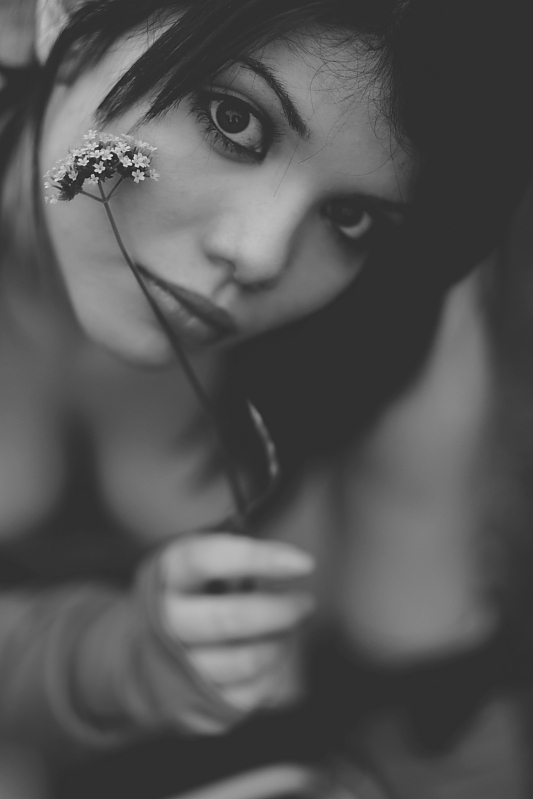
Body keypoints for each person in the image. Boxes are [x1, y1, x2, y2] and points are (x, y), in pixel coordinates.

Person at [0, 0, 532, 796]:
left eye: (349, 216)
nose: (259, 253)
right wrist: (111, 657)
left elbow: (427, 690)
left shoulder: (388, 320)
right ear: (61, 15)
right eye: (233, 119)